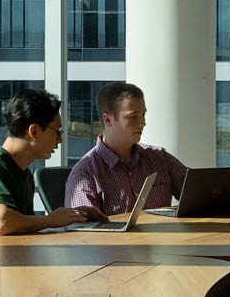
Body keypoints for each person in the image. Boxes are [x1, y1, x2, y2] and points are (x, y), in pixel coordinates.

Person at [0, 88, 103, 241]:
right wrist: (51, 221)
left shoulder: (22, 173)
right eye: (58, 131)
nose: (60, 140)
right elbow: (0, 223)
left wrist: (73, 216)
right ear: (34, 132)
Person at [63, 81, 190, 217]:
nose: (143, 122)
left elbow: (199, 194)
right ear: (108, 120)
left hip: (169, 237)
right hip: (115, 239)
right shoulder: (85, 174)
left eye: (143, 115)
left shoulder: (160, 158)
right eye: (133, 116)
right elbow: (84, 232)